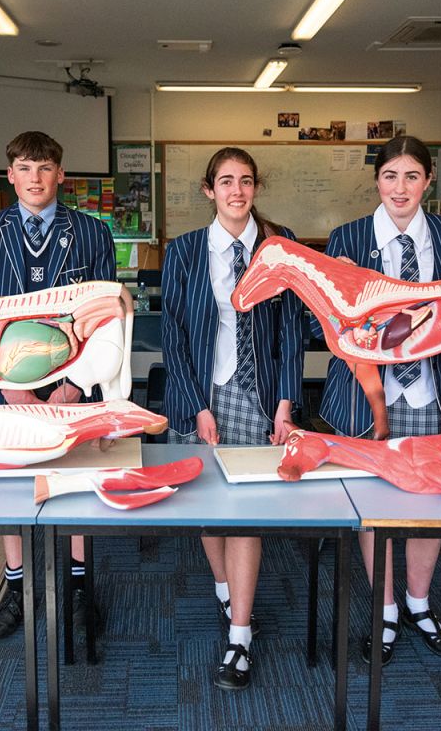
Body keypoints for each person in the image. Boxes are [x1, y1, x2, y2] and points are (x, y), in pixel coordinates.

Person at [319, 135, 441, 666]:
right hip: (366, 393)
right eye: (390, 176)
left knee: (431, 499)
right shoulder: (346, 237)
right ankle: (386, 609)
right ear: (377, 181)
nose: (400, 188)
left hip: (431, 392)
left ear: (428, 181)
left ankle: (420, 601)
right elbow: (324, 323)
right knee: (375, 507)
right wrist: (341, 292)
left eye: (412, 177)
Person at [0, 131, 115, 641]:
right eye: (25, 168)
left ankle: (77, 587)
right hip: (2, 383)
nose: (35, 178)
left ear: (60, 175)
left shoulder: (93, 232)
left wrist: (72, 385)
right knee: (9, 484)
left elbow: (103, 318)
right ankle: (18, 586)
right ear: (10, 175)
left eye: (45, 168)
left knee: (75, 482)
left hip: (74, 381)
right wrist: (9, 387)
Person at [161, 147, 304, 690]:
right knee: (208, 504)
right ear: (209, 190)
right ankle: (225, 590)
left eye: (245, 181)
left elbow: (292, 330)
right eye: (226, 182)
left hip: (258, 397)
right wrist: (197, 404)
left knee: (244, 509)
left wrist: (286, 404)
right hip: (201, 394)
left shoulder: (279, 246)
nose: (237, 191)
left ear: (256, 188)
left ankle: (239, 636)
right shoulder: (185, 251)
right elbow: (174, 338)